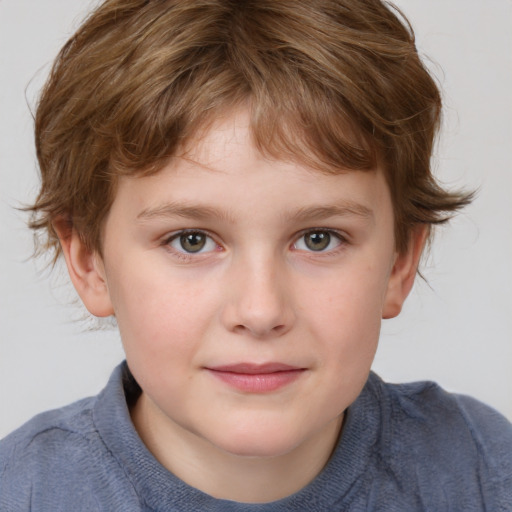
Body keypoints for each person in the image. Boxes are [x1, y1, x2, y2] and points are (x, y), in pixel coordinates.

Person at [1, 0, 511, 509]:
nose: (261, 311)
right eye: (191, 240)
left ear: (400, 261)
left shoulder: (485, 472)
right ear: (90, 261)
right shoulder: (21, 492)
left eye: (319, 238)